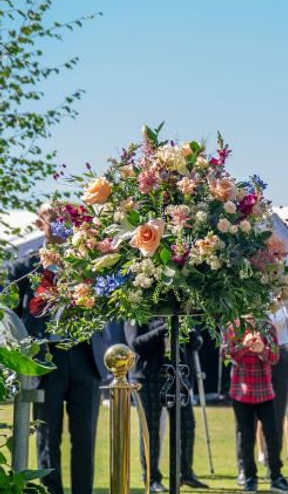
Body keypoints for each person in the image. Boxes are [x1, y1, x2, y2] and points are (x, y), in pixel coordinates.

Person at [10, 204, 109, 494]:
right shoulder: (24, 268)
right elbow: (12, 317)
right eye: (52, 218)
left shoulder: (87, 263)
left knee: (85, 436)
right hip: (45, 361)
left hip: (84, 357)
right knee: (46, 434)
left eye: (64, 219)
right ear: (40, 223)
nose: (58, 224)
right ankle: (51, 491)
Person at [125, 319, 208, 491]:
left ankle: (185, 472)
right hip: (148, 376)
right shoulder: (138, 309)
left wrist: (188, 332)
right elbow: (135, 344)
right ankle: (151, 478)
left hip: (178, 375)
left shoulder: (181, 308)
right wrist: (166, 327)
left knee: (186, 425)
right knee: (151, 430)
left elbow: (197, 343)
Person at [225, 318, 288, 492]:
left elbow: (275, 357)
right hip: (241, 391)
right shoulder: (232, 327)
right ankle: (249, 477)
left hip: (264, 390)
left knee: (272, 434)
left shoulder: (267, 327)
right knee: (246, 438)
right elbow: (225, 354)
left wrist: (263, 350)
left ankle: (275, 476)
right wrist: (243, 346)